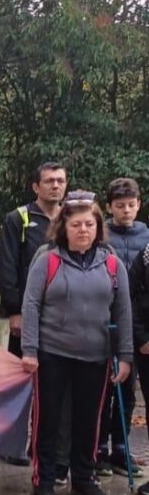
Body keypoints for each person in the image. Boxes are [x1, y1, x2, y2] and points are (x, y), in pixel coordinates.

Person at [21, 190, 131, 495]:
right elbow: (31, 305)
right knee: (48, 419)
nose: (83, 230)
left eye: (89, 225)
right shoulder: (48, 259)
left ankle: (84, 478)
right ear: (63, 228)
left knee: (89, 420)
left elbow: (122, 312)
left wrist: (124, 357)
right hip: (52, 353)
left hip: (95, 354)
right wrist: (29, 350)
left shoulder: (112, 264)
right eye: (76, 225)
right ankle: (44, 478)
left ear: (97, 227)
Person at [0, 162, 66, 467]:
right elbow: (7, 266)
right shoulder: (19, 218)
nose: (56, 186)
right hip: (25, 315)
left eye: (61, 180)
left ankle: (42, 446)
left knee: (51, 385)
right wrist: (14, 311)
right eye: (49, 181)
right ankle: (12, 445)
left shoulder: (71, 218)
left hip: (60, 317)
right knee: (20, 382)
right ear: (36, 187)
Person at [98, 178, 148, 477]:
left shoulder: (146, 237)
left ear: (139, 205)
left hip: (135, 324)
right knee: (105, 389)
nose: (126, 211)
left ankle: (121, 447)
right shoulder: (101, 234)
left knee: (128, 392)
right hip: (106, 321)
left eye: (131, 205)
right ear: (109, 207)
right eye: (120, 206)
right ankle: (99, 449)